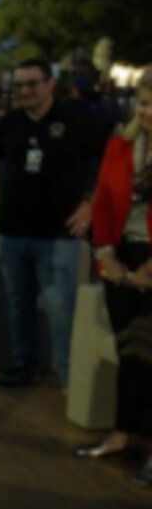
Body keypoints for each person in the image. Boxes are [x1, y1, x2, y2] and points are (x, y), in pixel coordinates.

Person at [0, 59, 105, 388]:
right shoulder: (9, 123)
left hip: (57, 234)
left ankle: (69, 378)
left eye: (33, 83)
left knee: (60, 308)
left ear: (51, 84)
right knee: (18, 303)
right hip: (13, 231)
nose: (26, 91)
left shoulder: (76, 119)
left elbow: (103, 158)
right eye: (21, 84)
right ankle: (25, 365)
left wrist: (89, 204)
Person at [80, 66, 152, 487]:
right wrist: (106, 253)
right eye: (144, 103)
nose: (148, 113)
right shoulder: (121, 147)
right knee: (129, 352)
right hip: (121, 253)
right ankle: (122, 435)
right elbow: (105, 203)